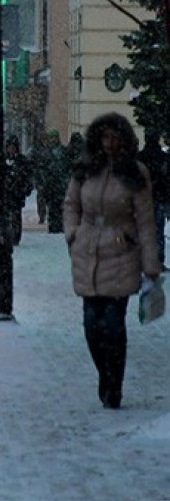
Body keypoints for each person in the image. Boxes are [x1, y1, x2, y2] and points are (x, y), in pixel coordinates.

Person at [63, 113, 162, 409]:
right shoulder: (85, 171)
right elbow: (71, 204)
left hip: (121, 253)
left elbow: (145, 221)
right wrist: (73, 234)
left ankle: (113, 384)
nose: (109, 143)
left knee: (113, 325)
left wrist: (151, 264)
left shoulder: (135, 173)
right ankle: (105, 375)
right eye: (105, 137)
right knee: (92, 326)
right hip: (88, 252)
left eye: (114, 137)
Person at [137, 128, 170, 264]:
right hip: (159, 197)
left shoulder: (140, 158)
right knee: (158, 228)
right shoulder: (164, 158)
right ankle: (159, 258)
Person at [34, 130, 69, 233]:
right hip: (50, 185)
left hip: (59, 185)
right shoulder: (45, 152)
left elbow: (66, 167)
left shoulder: (62, 151)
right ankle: (53, 225)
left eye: (55, 138)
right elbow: (41, 168)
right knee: (52, 207)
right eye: (51, 138)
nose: (53, 140)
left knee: (60, 207)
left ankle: (59, 225)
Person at [4, 136, 34, 245]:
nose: (11, 149)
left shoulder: (22, 160)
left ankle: (15, 236)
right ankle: (8, 235)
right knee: (7, 215)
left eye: (13, 147)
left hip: (17, 194)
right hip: (6, 193)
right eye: (9, 147)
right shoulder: (3, 160)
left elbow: (28, 176)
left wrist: (24, 188)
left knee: (16, 215)